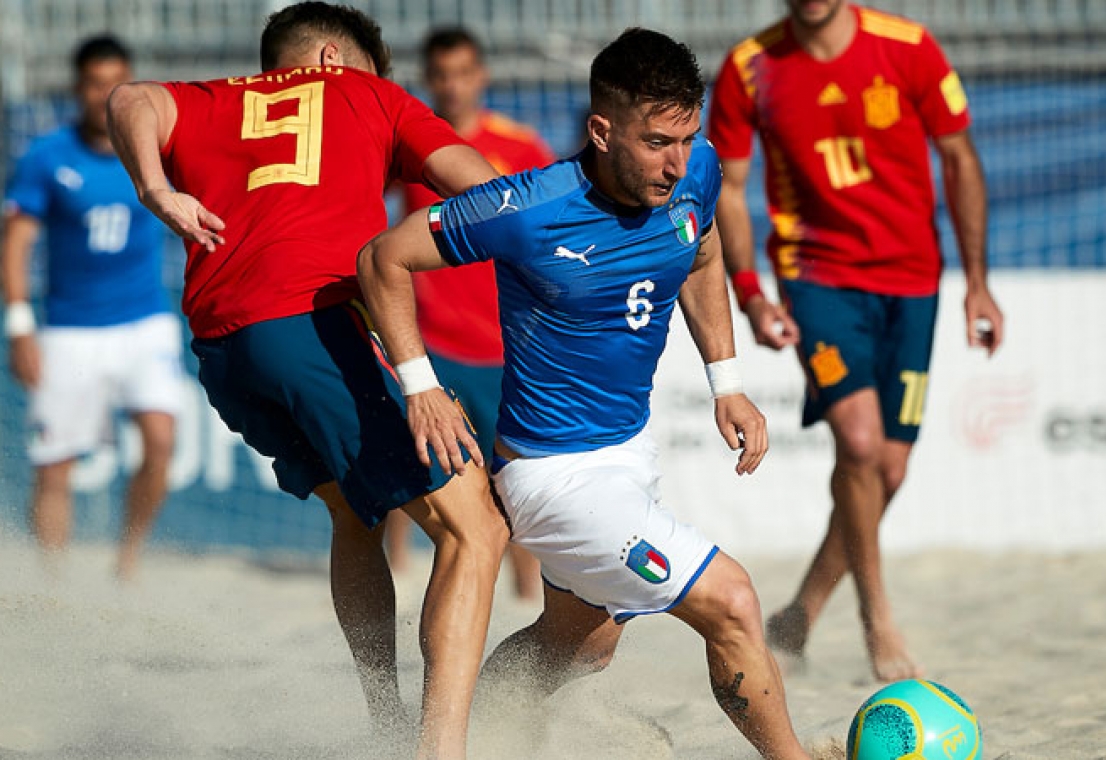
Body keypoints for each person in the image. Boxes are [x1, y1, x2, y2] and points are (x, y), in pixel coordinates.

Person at [359, 28, 813, 759]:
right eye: (658, 140)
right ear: (602, 131)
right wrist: (421, 387)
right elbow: (383, 257)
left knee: (577, 645)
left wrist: (726, 382)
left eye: (687, 138)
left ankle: (495, 735)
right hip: (552, 477)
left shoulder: (693, 171)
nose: (677, 162)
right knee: (732, 602)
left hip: (631, 453)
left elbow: (701, 252)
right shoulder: (524, 205)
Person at [105, 3, 509, 757]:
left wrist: (156, 189)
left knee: (353, 515)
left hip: (226, 348)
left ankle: (386, 726)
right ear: (330, 59)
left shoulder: (210, 97)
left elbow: (128, 98)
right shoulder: (371, 93)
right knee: (475, 528)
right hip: (313, 324)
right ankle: (439, 748)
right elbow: (484, 189)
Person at [707, 0, 1005, 682]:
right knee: (863, 446)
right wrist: (751, 292)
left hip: (913, 283)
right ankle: (880, 628)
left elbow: (959, 158)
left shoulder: (909, 48)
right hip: (818, 281)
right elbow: (728, 187)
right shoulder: (750, 68)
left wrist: (978, 283)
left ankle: (799, 616)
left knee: (888, 472)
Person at [382, 26, 554, 601]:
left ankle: (526, 586)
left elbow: (550, 235)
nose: (452, 86)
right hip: (431, 343)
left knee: (516, 474)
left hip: (504, 343)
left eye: (462, 73)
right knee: (412, 459)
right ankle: (400, 568)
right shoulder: (407, 143)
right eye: (442, 75)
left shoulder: (521, 145)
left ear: (481, 76)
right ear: (429, 79)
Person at [1, 35, 181, 581]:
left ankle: (127, 562)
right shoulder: (46, 156)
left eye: (116, 83)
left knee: (160, 440)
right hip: (70, 329)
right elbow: (17, 242)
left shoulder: (158, 148)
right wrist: (19, 324)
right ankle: (53, 581)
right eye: (95, 84)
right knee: (54, 463)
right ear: (78, 89)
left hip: (144, 319)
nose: (106, 94)